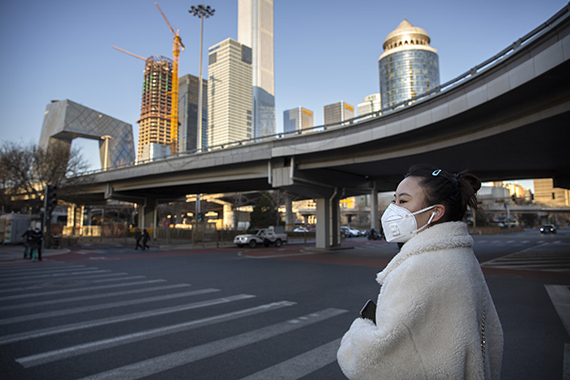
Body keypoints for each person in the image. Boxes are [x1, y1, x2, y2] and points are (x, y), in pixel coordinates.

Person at [337, 164, 503, 379]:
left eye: (403, 201)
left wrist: (360, 328)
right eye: (394, 201)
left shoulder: (418, 267)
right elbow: (493, 337)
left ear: (436, 212)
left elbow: (374, 361)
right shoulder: (460, 257)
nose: (393, 209)